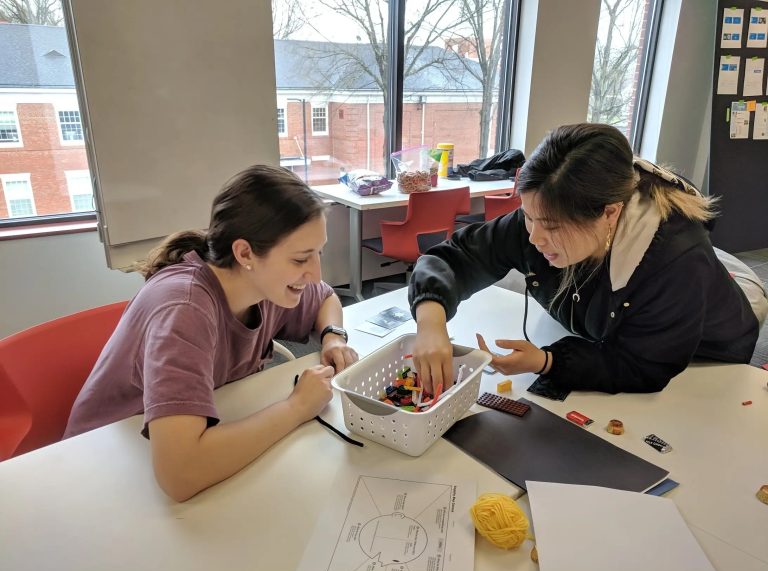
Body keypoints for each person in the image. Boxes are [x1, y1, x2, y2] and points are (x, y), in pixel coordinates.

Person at [65, 164, 359, 501]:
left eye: (318, 253)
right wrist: (296, 408)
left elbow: (324, 296)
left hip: (177, 439)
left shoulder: (266, 283)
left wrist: (333, 335)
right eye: (300, 259)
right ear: (245, 253)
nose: (314, 272)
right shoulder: (185, 309)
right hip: (102, 468)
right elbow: (180, 473)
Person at [409, 123, 765, 395]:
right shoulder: (546, 212)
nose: (533, 236)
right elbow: (458, 256)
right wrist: (431, 326)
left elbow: (644, 365)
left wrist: (549, 361)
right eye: (528, 217)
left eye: (550, 227)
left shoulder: (676, 263)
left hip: (704, 355)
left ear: (609, 214)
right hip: (634, 330)